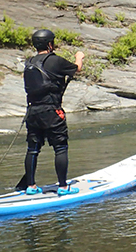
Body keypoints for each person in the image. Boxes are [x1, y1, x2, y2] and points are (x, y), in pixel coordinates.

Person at [21, 29, 85, 196]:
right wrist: (79, 57)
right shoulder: (55, 61)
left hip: (32, 112)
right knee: (60, 148)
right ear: (50, 44)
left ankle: (31, 186)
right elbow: (77, 69)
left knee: (33, 149)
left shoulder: (29, 63)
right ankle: (63, 187)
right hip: (52, 112)